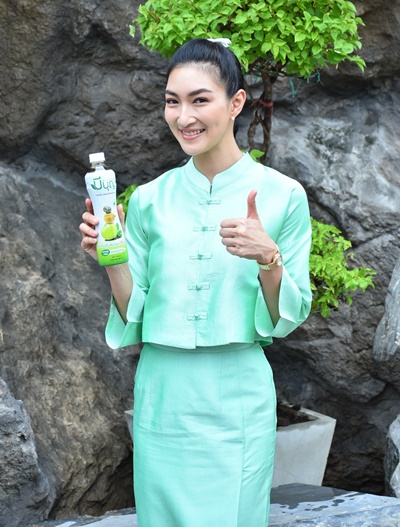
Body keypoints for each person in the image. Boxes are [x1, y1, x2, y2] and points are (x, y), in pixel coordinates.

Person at [80, 38, 312, 527]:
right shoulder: (149, 199)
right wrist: (111, 258)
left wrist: (268, 258)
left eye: (199, 100)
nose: (183, 116)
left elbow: (285, 318)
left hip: (238, 398)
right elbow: (134, 315)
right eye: (172, 101)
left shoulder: (284, 196)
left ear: (236, 102)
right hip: (163, 394)